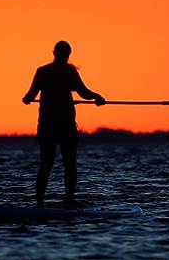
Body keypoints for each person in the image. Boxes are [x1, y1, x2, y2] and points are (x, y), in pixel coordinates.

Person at [22, 40, 106, 208]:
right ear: (67, 55)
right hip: (65, 126)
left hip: (46, 126)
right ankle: (68, 200)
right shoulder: (69, 71)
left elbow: (29, 96)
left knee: (46, 164)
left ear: (54, 53)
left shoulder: (42, 71)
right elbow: (84, 92)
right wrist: (97, 97)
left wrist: (27, 99)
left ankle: (39, 202)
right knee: (69, 163)